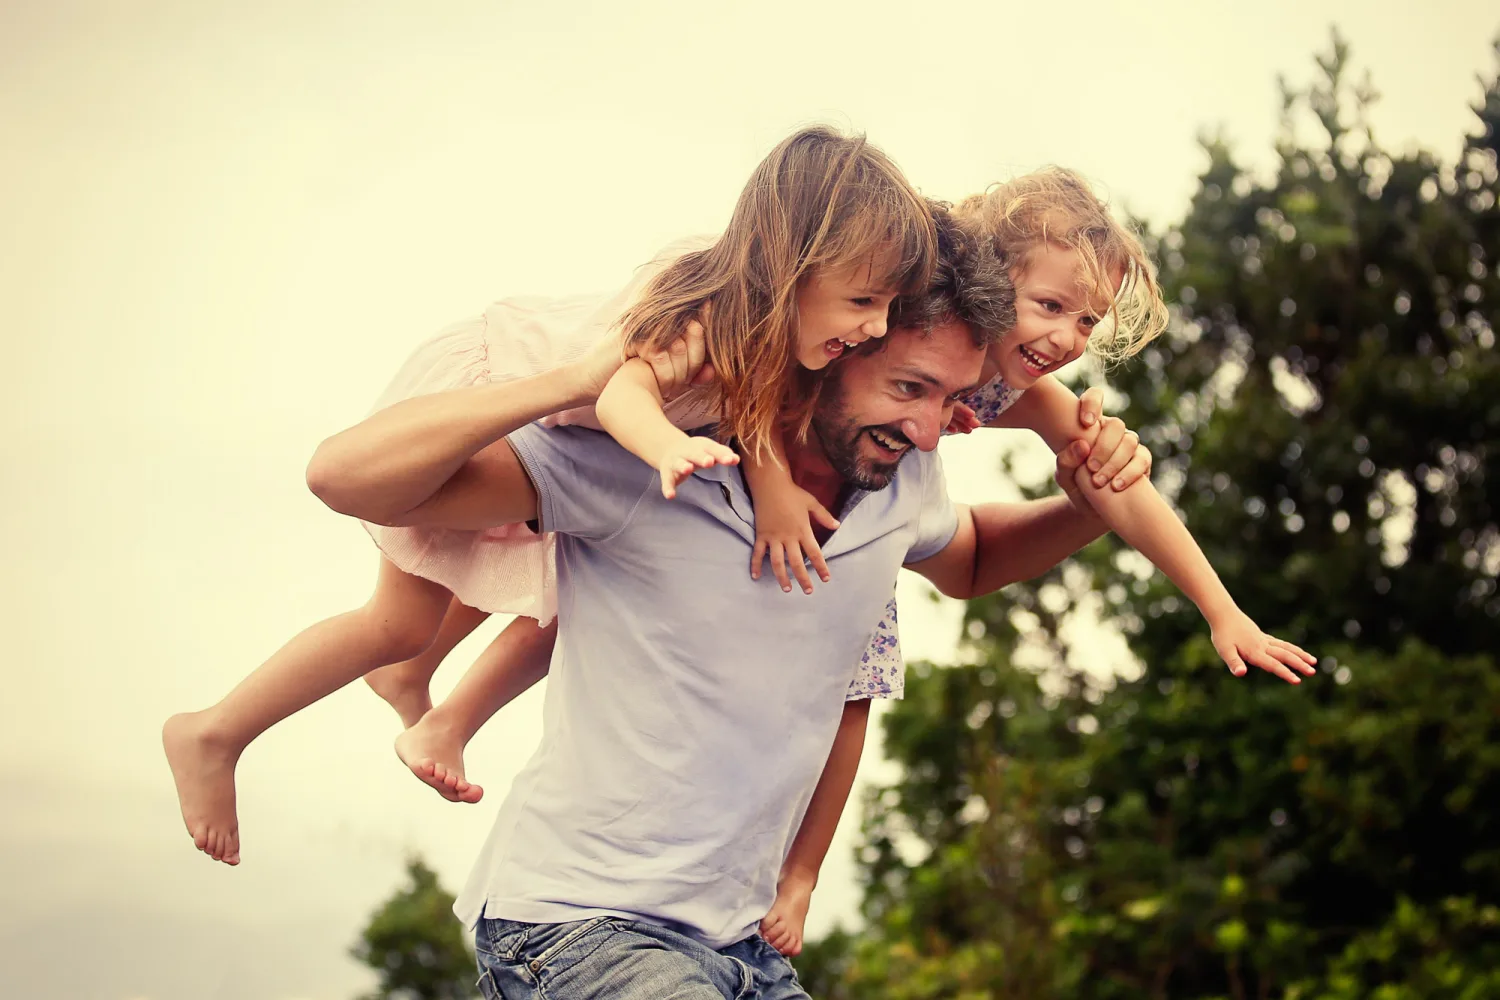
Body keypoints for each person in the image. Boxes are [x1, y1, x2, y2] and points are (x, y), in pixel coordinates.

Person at [302, 207, 1152, 998]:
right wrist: (567, 380)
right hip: (575, 925)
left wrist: (1082, 507)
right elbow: (347, 478)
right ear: (829, 354)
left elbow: (976, 560)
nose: (934, 431)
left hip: (742, 950)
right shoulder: (647, 463)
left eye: (950, 397)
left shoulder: (902, 477)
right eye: (909, 389)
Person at [161, 125, 939, 865]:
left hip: (565, 449)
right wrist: (667, 445)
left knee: (476, 618)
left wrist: (772, 492)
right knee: (393, 623)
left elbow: (761, 408)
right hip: (496, 388)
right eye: (864, 302)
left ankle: (410, 686)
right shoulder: (704, 317)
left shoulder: (784, 341)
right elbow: (619, 397)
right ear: (794, 266)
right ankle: (216, 731)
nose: (873, 329)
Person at [756, 167, 1318, 955]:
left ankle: (801, 874)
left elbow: (1117, 488)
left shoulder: (1017, 391)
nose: (1067, 339)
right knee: (563, 603)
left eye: (1087, 321)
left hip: (862, 532)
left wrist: (1220, 609)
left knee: (859, 691)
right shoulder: (895, 325)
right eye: (1050, 306)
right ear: (992, 275)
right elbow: (763, 373)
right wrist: (771, 482)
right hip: (774, 492)